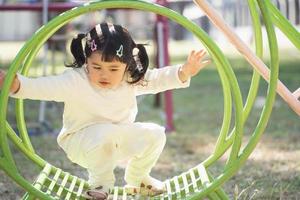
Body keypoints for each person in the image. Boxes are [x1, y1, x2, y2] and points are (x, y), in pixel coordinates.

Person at [0, 22, 210, 200]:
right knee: (103, 134)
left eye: (113, 69)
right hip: (81, 142)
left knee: (155, 133)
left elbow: (157, 79)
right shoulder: (76, 81)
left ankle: (138, 178)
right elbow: (43, 87)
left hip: (115, 140)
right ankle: (100, 183)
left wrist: (184, 71)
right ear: (86, 61)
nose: (104, 75)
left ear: (127, 65)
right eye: (97, 67)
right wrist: (16, 84)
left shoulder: (129, 78)